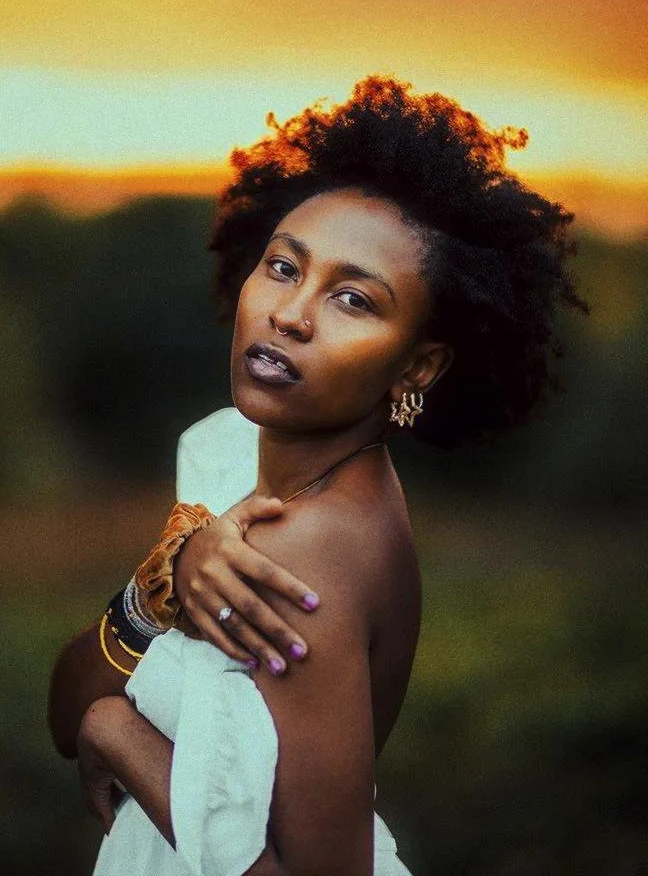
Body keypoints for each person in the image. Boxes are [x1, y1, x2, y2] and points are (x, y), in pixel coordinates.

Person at [48, 76, 585, 876]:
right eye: (282, 266)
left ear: (419, 364)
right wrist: (165, 580)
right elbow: (64, 710)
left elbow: (85, 724)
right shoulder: (242, 462)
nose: (291, 314)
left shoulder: (313, 548)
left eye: (354, 301)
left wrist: (119, 737)